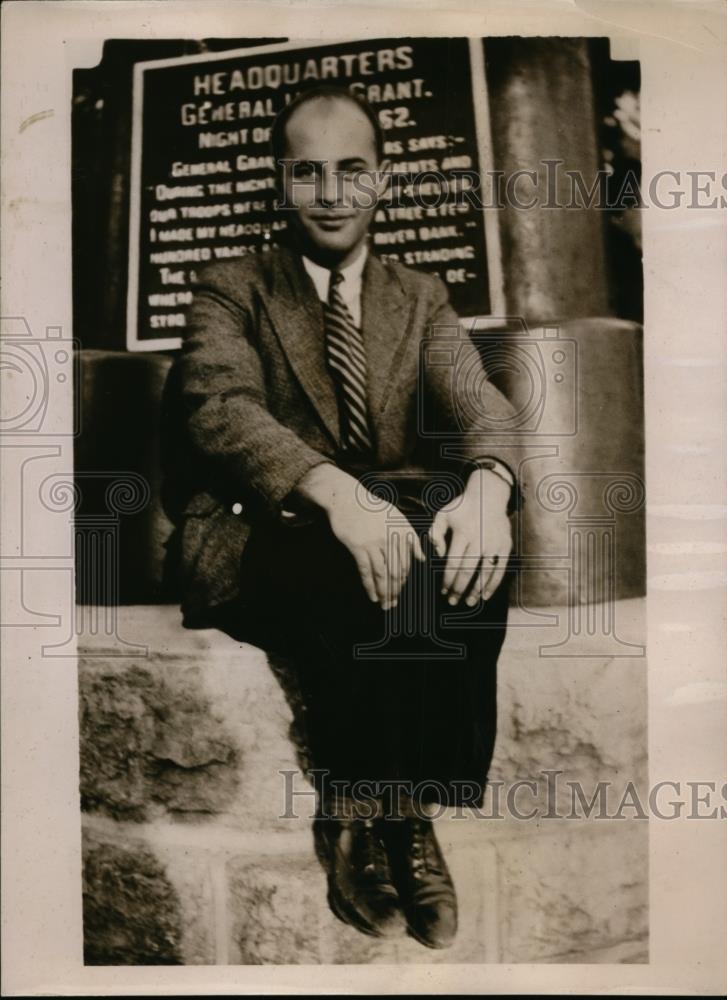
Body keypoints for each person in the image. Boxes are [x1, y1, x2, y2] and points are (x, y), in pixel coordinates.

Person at [167, 85, 522, 950]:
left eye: (350, 170)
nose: (330, 192)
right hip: (263, 527)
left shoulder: (419, 295)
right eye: (308, 172)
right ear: (281, 183)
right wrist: (336, 492)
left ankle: (406, 809)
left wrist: (488, 488)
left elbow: (478, 401)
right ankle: (361, 810)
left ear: (382, 181)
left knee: (471, 540)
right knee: (353, 565)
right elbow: (221, 408)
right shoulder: (229, 287)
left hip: (391, 519)